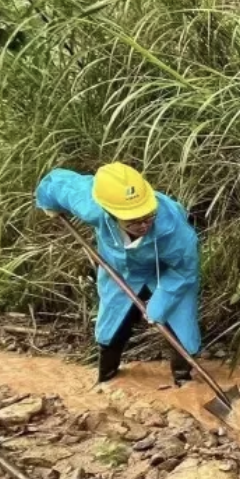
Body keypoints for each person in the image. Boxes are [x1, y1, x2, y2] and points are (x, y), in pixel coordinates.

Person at [35, 163, 202, 388]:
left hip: (169, 273)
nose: (143, 224)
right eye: (133, 220)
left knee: (181, 327)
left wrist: (158, 306)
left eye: (148, 216)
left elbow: (184, 271)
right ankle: (107, 378)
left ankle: (184, 381)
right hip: (119, 270)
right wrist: (47, 202)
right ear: (110, 213)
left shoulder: (175, 230)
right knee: (111, 325)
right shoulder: (92, 205)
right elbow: (57, 184)